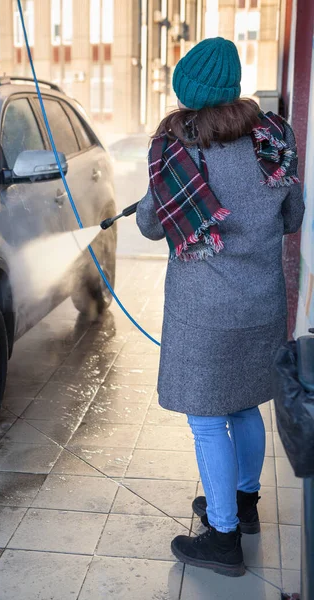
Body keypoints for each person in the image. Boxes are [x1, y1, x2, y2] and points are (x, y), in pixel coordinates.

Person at [136, 37, 305, 578]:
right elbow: (293, 214)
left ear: (188, 92)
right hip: (261, 302)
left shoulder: (176, 148)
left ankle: (224, 535)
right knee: (244, 406)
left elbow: (150, 223)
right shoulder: (273, 137)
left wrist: (154, 201)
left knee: (208, 419)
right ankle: (244, 504)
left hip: (204, 312)